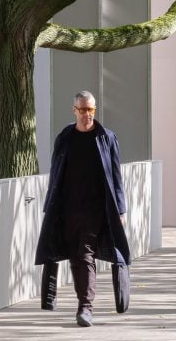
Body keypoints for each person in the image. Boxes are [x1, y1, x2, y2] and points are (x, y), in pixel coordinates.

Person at [34, 91, 130, 327]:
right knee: (75, 257)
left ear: (95, 110)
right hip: (67, 208)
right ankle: (82, 305)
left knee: (85, 254)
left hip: (97, 209)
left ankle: (85, 307)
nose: (87, 114)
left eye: (91, 110)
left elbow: (116, 177)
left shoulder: (106, 138)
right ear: (74, 110)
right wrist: (50, 207)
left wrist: (120, 209)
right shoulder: (65, 137)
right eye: (83, 109)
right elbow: (56, 174)